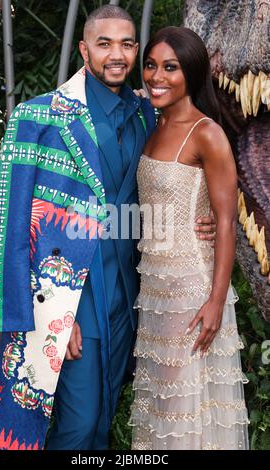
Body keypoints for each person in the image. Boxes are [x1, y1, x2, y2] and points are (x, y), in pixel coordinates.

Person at [0, 7, 215, 451]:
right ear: (84, 49)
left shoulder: (148, 113)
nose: (117, 54)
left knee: (105, 417)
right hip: (73, 295)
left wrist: (194, 218)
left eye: (127, 44)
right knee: (78, 424)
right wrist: (45, 316)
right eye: (105, 43)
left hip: (131, 292)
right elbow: (10, 228)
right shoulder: (38, 118)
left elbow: (164, 184)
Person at [129, 26, 249, 450]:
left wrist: (216, 300)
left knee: (188, 408)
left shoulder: (207, 134)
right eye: (150, 65)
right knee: (162, 408)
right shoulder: (150, 121)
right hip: (156, 291)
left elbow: (226, 221)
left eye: (170, 68)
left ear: (192, 73)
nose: (156, 76)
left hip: (192, 291)